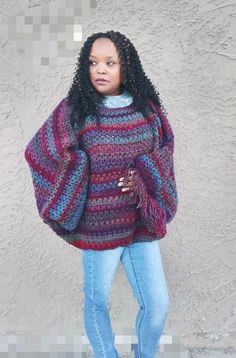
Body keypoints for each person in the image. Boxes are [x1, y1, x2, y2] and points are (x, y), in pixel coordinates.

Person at [24, 30, 178, 358]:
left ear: (127, 67)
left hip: (140, 225)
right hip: (99, 229)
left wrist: (143, 175)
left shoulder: (147, 110)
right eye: (93, 62)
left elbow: (165, 151)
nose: (101, 69)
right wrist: (77, 164)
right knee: (97, 302)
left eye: (110, 62)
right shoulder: (75, 110)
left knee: (157, 305)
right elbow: (40, 150)